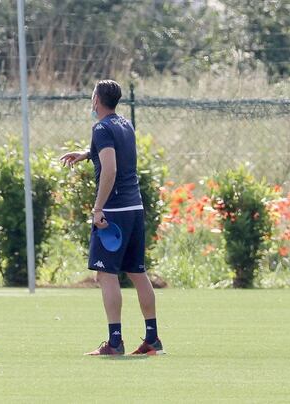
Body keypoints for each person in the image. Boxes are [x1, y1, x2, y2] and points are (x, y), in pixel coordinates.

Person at [60, 80, 164, 356]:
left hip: (114, 211)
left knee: (105, 275)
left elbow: (110, 169)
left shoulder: (101, 128)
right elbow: (113, 152)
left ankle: (115, 342)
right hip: (135, 208)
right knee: (137, 272)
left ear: (96, 99)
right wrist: (86, 154)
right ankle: (153, 339)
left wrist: (98, 209)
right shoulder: (124, 124)